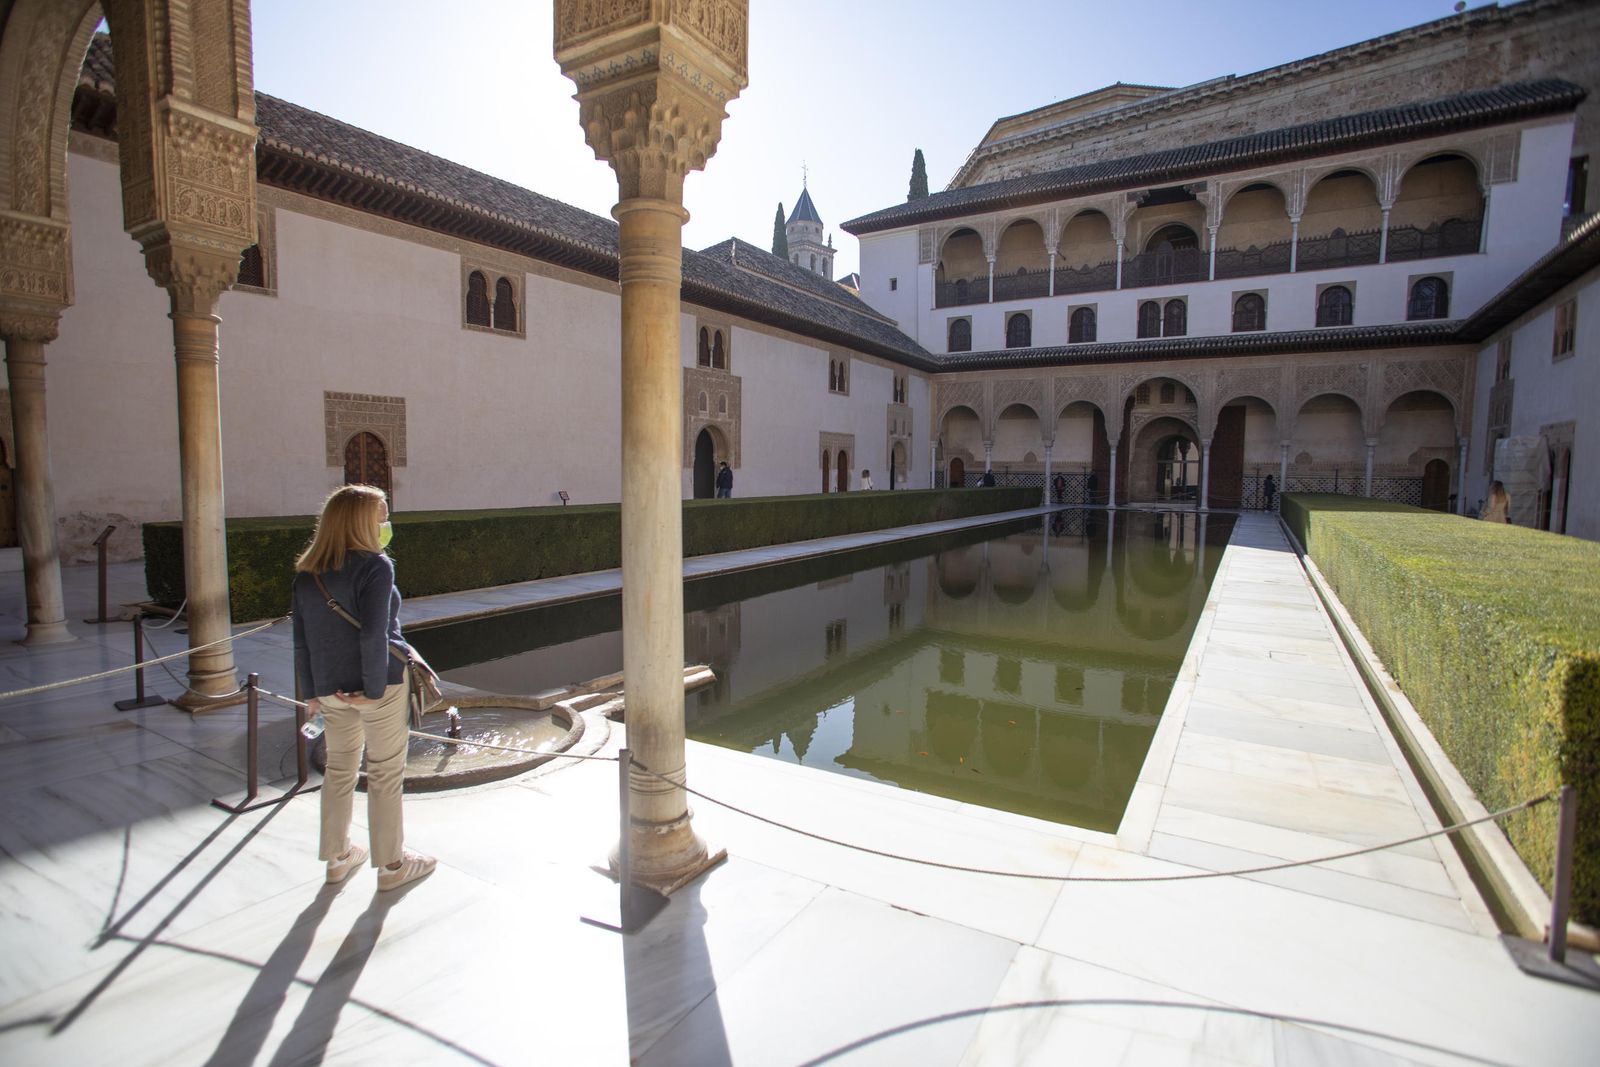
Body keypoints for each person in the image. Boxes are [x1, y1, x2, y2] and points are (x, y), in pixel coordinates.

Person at [293, 484, 435, 892]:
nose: (386, 523)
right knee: (385, 775)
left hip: (330, 688)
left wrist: (311, 693)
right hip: (379, 686)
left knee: (339, 771)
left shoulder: (308, 572)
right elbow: (374, 634)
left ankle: (337, 859)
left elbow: (301, 640)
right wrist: (373, 690)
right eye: (382, 515)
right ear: (360, 521)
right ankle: (392, 865)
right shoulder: (376, 566)